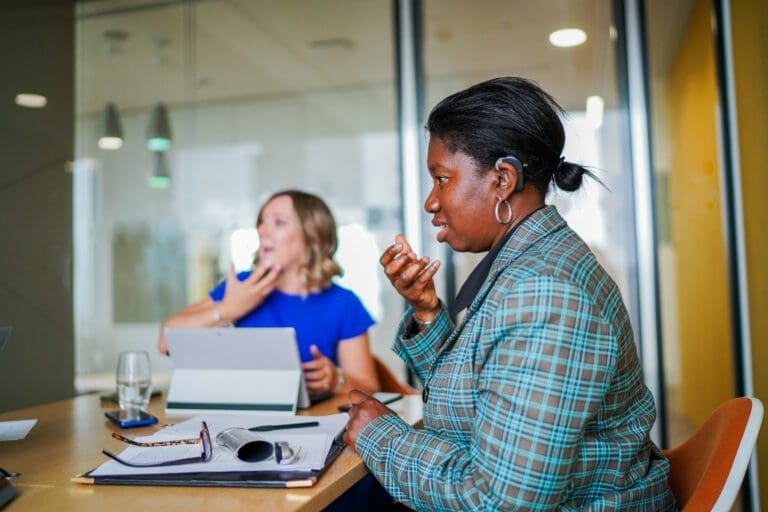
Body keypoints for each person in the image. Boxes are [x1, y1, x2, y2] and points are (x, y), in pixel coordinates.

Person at [343, 77, 676, 510]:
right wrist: (426, 310)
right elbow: (484, 392)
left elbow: (501, 501)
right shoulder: (536, 262)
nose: (430, 201)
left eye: (442, 179)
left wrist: (380, 436)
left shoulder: (545, 294)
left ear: (503, 180)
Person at [157, 189, 380, 397]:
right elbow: (165, 341)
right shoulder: (242, 286)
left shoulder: (343, 304)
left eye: (279, 222)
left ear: (313, 236)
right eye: (262, 222)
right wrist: (228, 309)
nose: (262, 230)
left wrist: (336, 380)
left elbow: (371, 390)